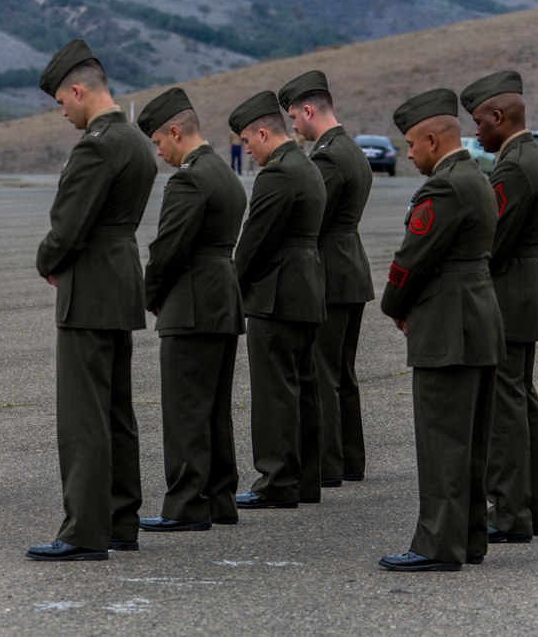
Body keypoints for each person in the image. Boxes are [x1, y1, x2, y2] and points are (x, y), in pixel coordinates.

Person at [26, 40, 157, 561]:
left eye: (62, 101)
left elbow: (67, 226)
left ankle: (84, 530)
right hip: (120, 279)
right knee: (116, 411)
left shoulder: (96, 145)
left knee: (84, 416)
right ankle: (121, 519)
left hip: (89, 287)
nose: (63, 112)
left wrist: (46, 260)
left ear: (79, 91)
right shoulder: (135, 141)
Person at [378, 89, 503, 571]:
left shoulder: (445, 186)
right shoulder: (476, 176)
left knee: (442, 441)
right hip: (476, 316)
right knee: (469, 441)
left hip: (447, 323)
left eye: (411, 144)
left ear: (433, 139)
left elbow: (411, 259)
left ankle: (437, 544)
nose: (407, 154)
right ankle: (468, 536)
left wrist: (395, 304)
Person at [135, 88, 248, 531]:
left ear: (176, 132)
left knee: (185, 410)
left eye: (160, 142)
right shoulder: (224, 173)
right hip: (222, 296)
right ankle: (220, 498)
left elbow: (168, 248)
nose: (160, 152)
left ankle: (185, 504)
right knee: (214, 409)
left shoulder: (188, 179)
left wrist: (151, 295)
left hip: (193, 300)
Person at [459, 71, 538, 543]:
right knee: (521, 404)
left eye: (480, 121)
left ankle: (509, 513)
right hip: (525, 290)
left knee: (504, 411)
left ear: (499, 117)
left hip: (508, 294)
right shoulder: (533, 157)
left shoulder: (513, 166)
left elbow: (492, 241)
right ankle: (534, 507)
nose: (476, 130)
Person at [229, 90, 327, 509]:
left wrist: (232, 286)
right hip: (306, 288)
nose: (247, 151)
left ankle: (276, 481)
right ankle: (304, 479)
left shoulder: (277, 174)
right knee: (303, 386)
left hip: (276, 295)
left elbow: (253, 244)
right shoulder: (306, 166)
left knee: (274, 392)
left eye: (248, 142)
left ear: (264, 133)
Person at [278, 71, 374, 486]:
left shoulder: (327, 156)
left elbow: (313, 215)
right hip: (351, 267)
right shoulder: (350, 148)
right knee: (343, 372)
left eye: (294, 117)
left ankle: (328, 464)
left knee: (323, 374)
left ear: (308, 109)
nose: (293, 126)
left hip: (331, 271)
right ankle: (349, 458)